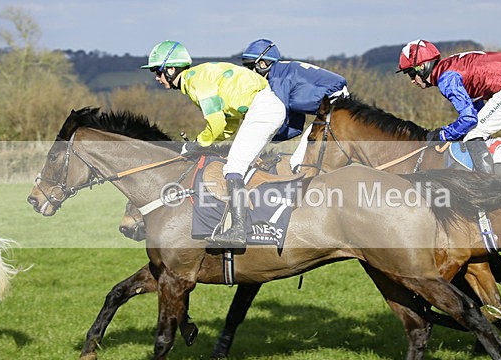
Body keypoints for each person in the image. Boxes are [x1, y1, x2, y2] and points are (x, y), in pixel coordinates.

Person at [142, 40, 286, 248]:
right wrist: (206, 143)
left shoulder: (195, 82)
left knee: (233, 168)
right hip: (264, 108)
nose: (156, 77)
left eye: (158, 71)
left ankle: (238, 232)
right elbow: (230, 124)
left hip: (262, 110)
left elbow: (216, 122)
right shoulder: (198, 77)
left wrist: (197, 144)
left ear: (171, 69)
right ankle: (255, 223)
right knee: (240, 166)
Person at [397, 39, 501, 174]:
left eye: (410, 73)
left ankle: (488, 187)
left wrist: (442, 134)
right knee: (475, 131)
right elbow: (476, 110)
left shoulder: (447, 79)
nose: (411, 80)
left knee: (474, 134)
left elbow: (469, 119)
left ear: (422, 67)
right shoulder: (449, 67)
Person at [240, 39, 349, 173]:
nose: (249, 73)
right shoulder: (281, 73)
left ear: (263, 64)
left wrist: (257, 143)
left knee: (298, 162)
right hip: (334, 103)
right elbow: (295, 126)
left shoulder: (277, 79)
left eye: (251, 67)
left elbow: (276, 120)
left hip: (334, 105)